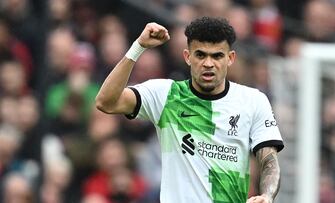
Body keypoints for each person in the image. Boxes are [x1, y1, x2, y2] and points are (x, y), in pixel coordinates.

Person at [96, 16, 284, 203]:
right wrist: (138, 47)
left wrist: (267, 195)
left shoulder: (253, 101)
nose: (208, 63)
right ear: (187, 56)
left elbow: (269, 160)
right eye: (200, 55)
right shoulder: (165, 95)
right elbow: (106, 102)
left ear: (230, 58)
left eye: (217, 55)